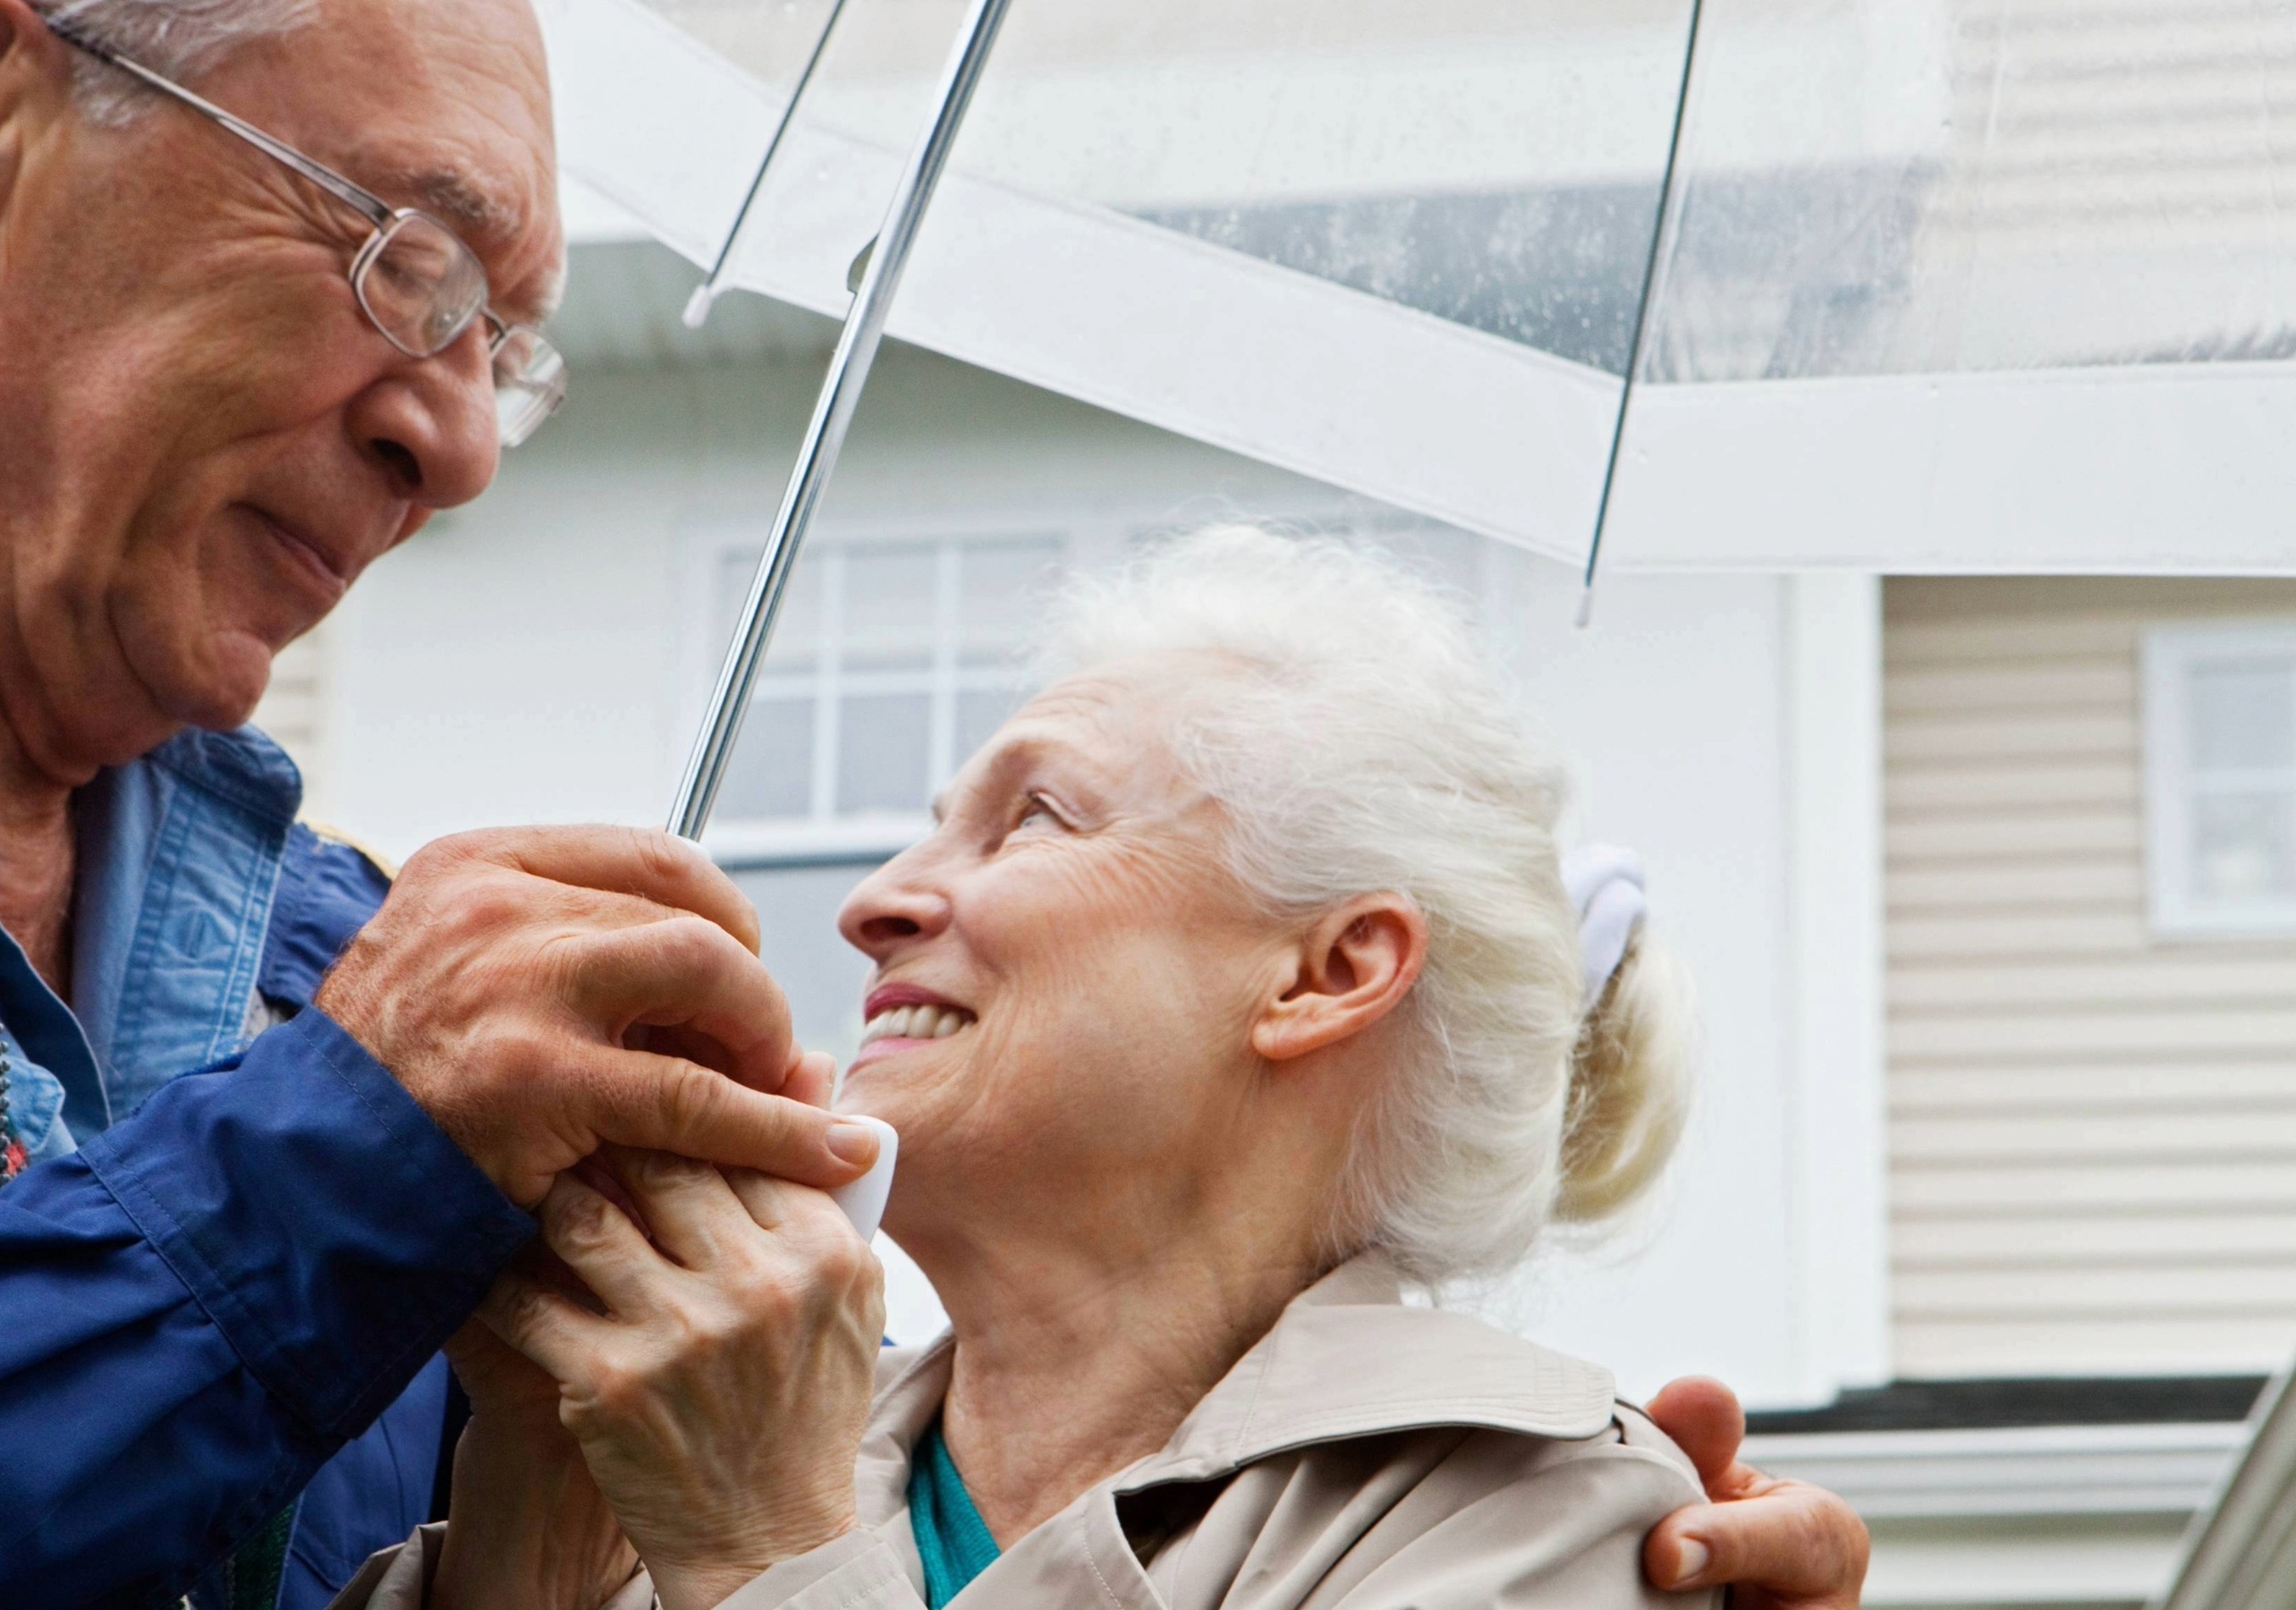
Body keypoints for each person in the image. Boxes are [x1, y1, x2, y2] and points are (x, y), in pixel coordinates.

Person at [0, 0, 1863, 1599]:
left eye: (514, 351)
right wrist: (299, 1195)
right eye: (405, 266)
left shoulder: (358, 993)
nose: (464, 438)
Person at [338, 529, 1869, 1610]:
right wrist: (532, 1538)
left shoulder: (1539, 1523)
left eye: (1037, 820)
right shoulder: (685, 1446)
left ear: (1326, 973)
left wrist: (766, 1557)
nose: (873, 903)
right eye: (931, 823)